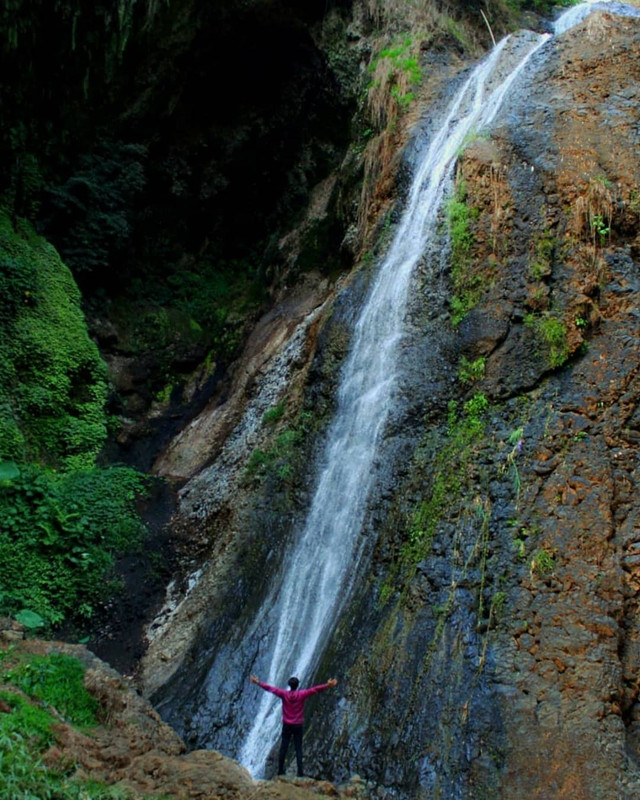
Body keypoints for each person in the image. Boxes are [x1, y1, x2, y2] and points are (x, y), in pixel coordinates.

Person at [250, 673, 338, 777]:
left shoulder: (284, 694)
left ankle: (280, 771)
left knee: (284, 747)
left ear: (289, 685)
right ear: (297, 685)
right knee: (298, 748)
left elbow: (270, 688)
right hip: (298, 725)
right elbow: (315, 690)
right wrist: (327, 685)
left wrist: (258, 682)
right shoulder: (302, 694)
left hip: (287, 724)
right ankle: (300, 772)